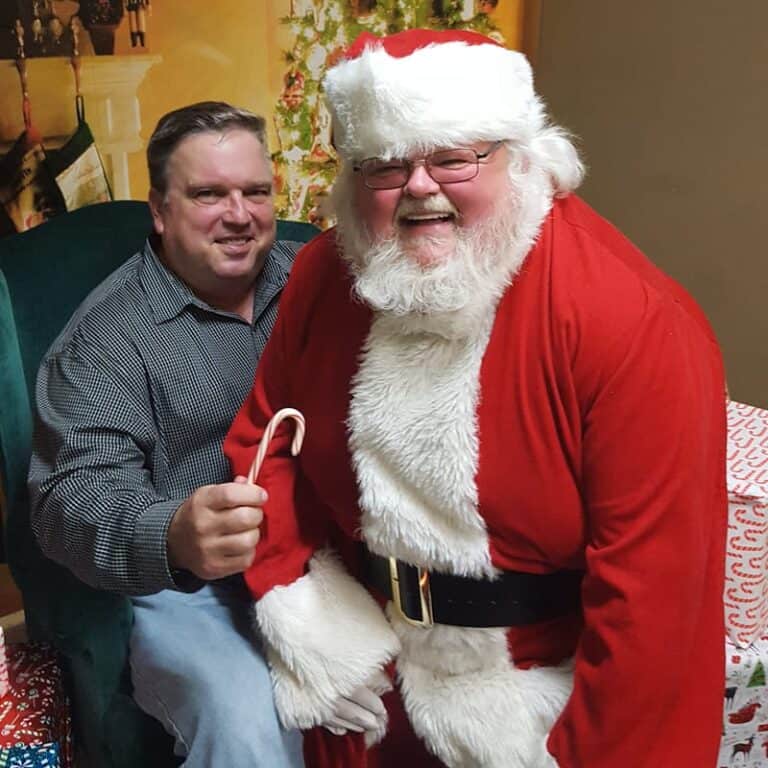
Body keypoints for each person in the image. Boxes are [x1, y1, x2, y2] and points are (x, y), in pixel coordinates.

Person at [224, 29, 727, 768]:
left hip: (542, 711)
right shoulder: (321, 280)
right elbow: (266, 442)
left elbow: (656, 615)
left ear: (521, 157)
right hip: (362, 691)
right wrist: (309, 621)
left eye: (455, 156)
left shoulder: (631, 322)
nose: (420, 187)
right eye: (385, 165)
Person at [28, 102, 305, 768]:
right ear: (159, 209)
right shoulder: (103, 342)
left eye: (256, 192)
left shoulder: (314, 278)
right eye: (209, 194)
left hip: (322, 557)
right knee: (246, 726)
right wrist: (173, 534)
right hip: (190, 590)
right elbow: (72, 499)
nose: (239, 214)